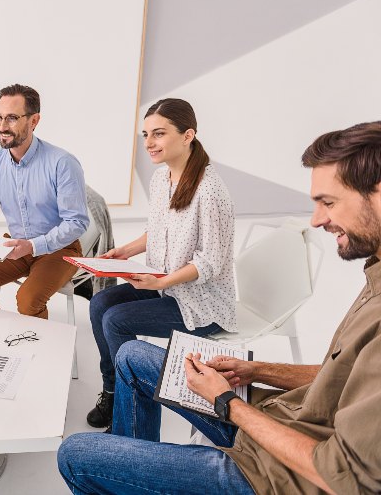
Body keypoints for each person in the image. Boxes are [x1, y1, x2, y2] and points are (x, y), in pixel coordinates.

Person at [58, 121, 381, 494]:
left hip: (274, 475)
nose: (318, 219)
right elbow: (338, 375)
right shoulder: (374, 270)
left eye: (328, 201)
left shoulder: (210, 190)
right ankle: (137, 469)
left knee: (74, 453)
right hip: (284, 416)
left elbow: (340, 475)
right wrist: (256, 369)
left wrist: (227, 402)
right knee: (129, 352)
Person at [85, 98, 236, 428]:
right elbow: (156, 232)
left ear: (187, 135)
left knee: (116, 320)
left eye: (159, 134)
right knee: (99, 304)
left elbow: (210, 262)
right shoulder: (160, 179)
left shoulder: (209, 190)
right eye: (145, 134)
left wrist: (163, 283)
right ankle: (113, 392)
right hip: (163, 287)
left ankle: (132, 412)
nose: (149, 143)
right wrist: (123, 252)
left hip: (200, 304)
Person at [0, 84, 88, 318]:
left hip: (60, 248)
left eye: (12, 118)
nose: (2, 126)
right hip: (16, 245)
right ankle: (8, 339)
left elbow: (76, 222)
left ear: (34, 121)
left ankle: (40, 353)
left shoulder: (62, 162)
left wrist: (35, 246)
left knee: (27, 300)